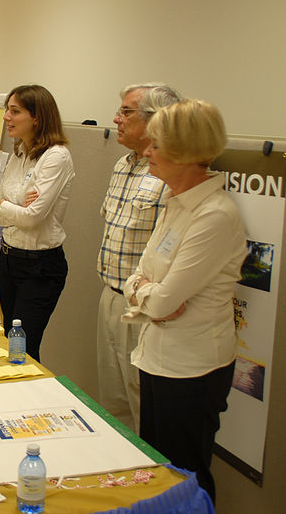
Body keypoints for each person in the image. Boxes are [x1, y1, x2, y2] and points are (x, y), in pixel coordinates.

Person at [122, 99, 246, 504]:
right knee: (159, 470)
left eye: (155, 145)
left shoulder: (214, 215)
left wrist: (147, 294)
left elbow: (160, 302)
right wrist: (146, 291)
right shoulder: (175, 202)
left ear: (186, 152)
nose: (146, 152)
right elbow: (138, 279)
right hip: (156, 355)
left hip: (193, 367)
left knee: (188, 479)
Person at [96, 83, 182, 432]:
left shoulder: (171, 174)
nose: (116, 119)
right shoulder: (122, 166)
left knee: (143, 405)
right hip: (110, 297)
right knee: (113, 402)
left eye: (127, 112)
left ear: (157, 119)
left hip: (146, 309)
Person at [0, 85, 74, 362]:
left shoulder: (56, 157)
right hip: (9, 259)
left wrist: (7, 206)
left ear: (37, 117)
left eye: (15, 111)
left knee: (23, 349)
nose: (6, 117)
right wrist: (13, 207)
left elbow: (33, 217)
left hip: (39, 267)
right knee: (10, 341)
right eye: (7, 110)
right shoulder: (19, 153)